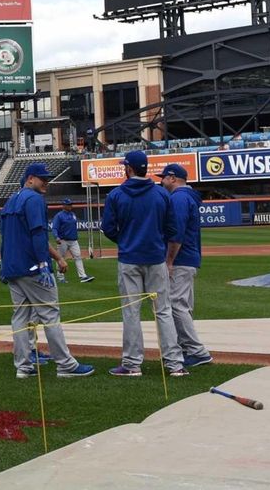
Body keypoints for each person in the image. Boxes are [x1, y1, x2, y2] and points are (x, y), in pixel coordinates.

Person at [0, 163, 95, 379]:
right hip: (33, 268)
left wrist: (5, 265)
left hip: (14, 268)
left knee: (20, 317)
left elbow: (5, 238)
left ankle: (23, 367)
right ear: (30, 178)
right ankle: (66, 364)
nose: (47, 183)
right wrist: (44, 264)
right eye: (43, 179)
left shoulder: (11, 200)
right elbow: (38, 234)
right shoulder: (34, 199)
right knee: (50, 314)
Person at [101, 150, 187, 378]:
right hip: (156, 258)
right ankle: (175, 364)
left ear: (129, 168)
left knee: (131, 312)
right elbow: (172, 229)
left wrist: (126, 240)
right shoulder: (160, 194)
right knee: (163, 311)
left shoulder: (116, 195)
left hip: (129, 258)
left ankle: (132, 364)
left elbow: (108, 228)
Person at [158, 163, 212, 367]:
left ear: (172, 178)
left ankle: (197, 351)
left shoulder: (179, 198)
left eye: (163, 177)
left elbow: (176, 232)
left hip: (180, 259)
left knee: (176, 305)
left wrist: (169, 260)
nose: (161, 181)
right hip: (188, 258)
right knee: (182, 306)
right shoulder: (187, 197)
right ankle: (186, 348)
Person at [51, 199, 94, 283]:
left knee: (78, 257)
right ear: (64, 206)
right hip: (63, 240)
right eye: (68, 204)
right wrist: (56, 237)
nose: (71, 206)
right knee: (61, 258)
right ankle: (60, 277)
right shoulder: (59, 216)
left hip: (73, 240)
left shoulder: (73, 215)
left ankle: (83, 276)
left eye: (71, 204)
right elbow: (55, 228)